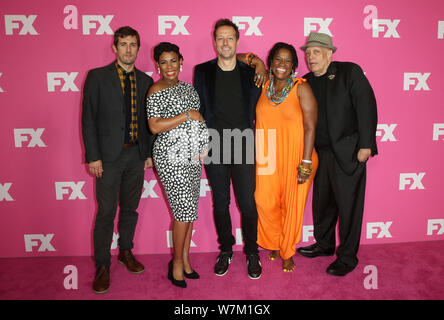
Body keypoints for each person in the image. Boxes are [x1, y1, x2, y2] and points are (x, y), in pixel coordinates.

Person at [297, 32, 378, 276]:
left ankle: (347, 257)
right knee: (323, 204)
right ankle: (324, 245)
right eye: (308, 52)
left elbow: (367, 105)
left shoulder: (348, 72)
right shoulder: (305, 81)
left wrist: (366, 144)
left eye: (317, 52)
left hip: (349, 152)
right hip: (320, 154)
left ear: (330, 53)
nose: (311, 56)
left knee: (349, 208)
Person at [82, 26, 155, 294]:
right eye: (123, 44)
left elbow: (149, 123)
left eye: (132, 44)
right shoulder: (98, 77)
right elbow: (88, 119)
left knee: (129, 210)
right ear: (114, 47)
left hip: (135, 156)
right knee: (105, 213)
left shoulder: (146, 81)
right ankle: (102, 265)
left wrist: (148, 153)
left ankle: (125, 251)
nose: (128, 49)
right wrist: (93, 157)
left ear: (138, 48)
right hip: (108, 159)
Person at [193, 19, 266, 279]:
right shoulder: (201, 71)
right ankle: (226, 250)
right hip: (214, 146)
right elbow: (198, 111)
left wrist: (259, 62)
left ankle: (252, 252)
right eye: (220, 38)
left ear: (237, 41)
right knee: (221, 203)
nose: (225, 42)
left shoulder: (251, 72)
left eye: (230, 38)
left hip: (244, 145)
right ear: (214, 42)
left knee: (247, 203)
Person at [147, 42, 208, 288]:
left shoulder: (189, 88)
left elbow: (198, 119)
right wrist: (185, 116)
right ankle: (175, 266)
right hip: (170, 157)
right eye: (164, 62)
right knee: (182, 211)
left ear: (181, 61)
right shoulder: (155, 90)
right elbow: (154, 126)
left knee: (189, 209)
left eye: (173, 61)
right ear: (157, 65)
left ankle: (185, 259)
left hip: (193, 157)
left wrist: (203, 145)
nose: (169, 66)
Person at [254, 42, 318, 272]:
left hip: (298, 154)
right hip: (267, 154)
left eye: (287, 61)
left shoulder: (301, 88)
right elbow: (238, 56)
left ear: (294, 66)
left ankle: (287, 250)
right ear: (271, 62)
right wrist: (256, 61)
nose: (282, 64)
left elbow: (311, 127)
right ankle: (275, 241)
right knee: (264, 200)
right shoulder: (264, 85)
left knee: (292, 205)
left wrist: (306, 163)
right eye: (277, 59)